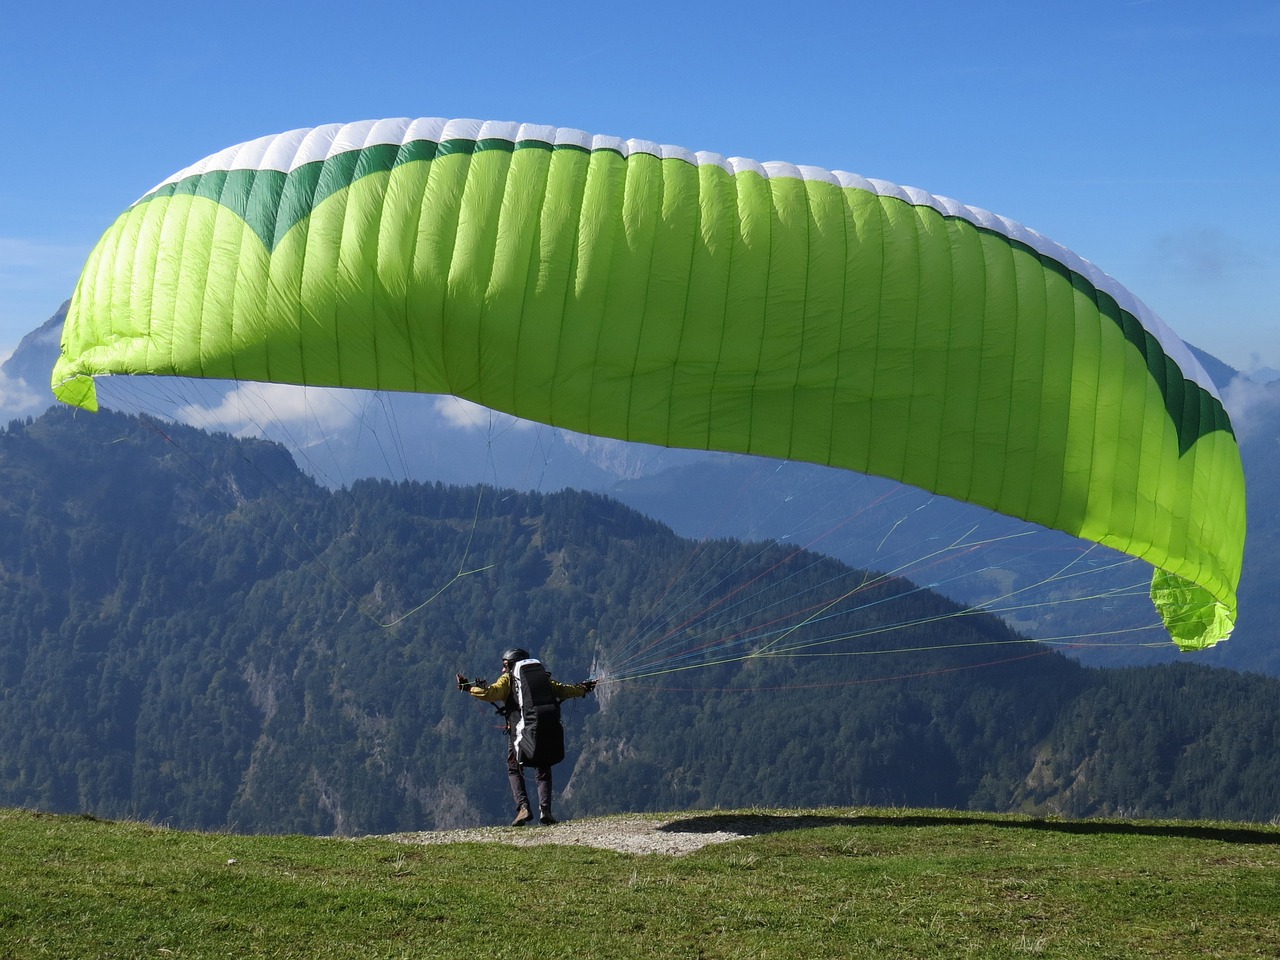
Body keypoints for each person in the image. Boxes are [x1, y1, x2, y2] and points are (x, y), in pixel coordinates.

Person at [458, 648, 596, 826]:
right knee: (543, 768)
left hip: (520, 731)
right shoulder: (541, 678)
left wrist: (469, 687)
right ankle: (545, 809)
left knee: (514, 767)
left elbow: (491, 693)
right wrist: (583, 688)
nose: (503, 669)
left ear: (512, 664)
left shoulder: (509, 679)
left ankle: (523, 808)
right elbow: (563, 690)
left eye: (505, 665)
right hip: (545, 729)